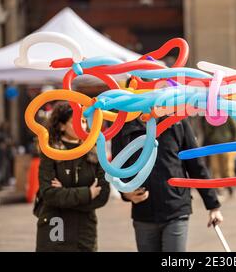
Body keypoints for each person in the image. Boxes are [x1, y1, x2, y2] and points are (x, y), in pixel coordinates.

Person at [111, 117, 223, 252]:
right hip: (143, 211)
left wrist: (213, 206)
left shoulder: (177, 122)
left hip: (176, 208)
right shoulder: (125, 126)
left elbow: (196, 164)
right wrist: (125, 193)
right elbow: (116, 169)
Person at [35, 102, 110, 251]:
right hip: (55, 226)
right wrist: (87, 193)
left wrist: (65, 193)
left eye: (83, 121)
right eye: (75, 121)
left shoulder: (95, 151)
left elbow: (102, 195)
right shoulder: (50, 151)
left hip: (84, 229)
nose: (81, 125)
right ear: (62, 126)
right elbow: (49, 194)